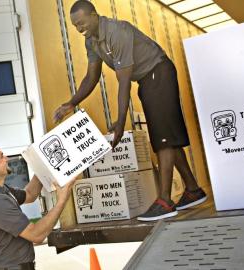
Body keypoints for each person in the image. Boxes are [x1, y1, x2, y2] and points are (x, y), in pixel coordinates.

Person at [53, 0, 207, 221]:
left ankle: (164, 200)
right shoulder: (92, 41)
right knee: (166, 136)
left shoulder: (117, 31)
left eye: (82, 23)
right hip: (147, 80)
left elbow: (123, 81)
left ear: (94, 15)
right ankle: (192, 189)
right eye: (75, 25)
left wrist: (120, 122)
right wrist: (71, 102)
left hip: (158, 71)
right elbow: (91, 77)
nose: (79, 29)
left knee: (163, 138)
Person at [0, 144, 76, 270]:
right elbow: (36, 235)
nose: (7, 158)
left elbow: (30, 194)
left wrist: (43, 166)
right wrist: (61, 201)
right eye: (1, 156)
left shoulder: (1, 190)